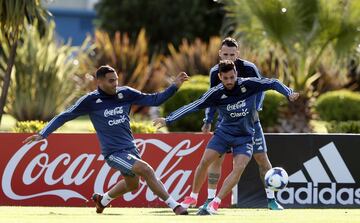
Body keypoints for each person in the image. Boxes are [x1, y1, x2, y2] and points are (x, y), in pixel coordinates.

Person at [23, 65, 189, 215]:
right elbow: (64, 116)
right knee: (146, 169)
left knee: (132, 185)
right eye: (111, 81)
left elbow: (155, 100)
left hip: (131, 148)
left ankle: (102, 200)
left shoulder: (126, 93)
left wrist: (174, 86)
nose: (115, 84)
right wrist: (43, 134)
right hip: (113, 153)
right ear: (99, 81)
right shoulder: (90, 101)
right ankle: (175, 205)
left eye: (116, 80)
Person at [153, 60, 299, 214]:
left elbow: (273, 83)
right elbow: (193, 106)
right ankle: (193, 197)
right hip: (224, 134)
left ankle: (215, 203)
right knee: (205, 162)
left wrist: (288, 92)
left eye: (232, 77)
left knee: (239, 167)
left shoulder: (249, 85)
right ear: (220, 77)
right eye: (226, 78)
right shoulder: (215, 93)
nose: (230, 81)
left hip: (245, 136)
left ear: (236, 73)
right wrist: (168, 119)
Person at [199, 37, 283, 212]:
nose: (229, 56)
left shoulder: (249, 68)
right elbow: (212, 99)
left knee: (262, 159)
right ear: (220, 53)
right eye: (225, 54)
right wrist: (207, 120)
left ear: (237, 54)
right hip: (226, 124)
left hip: (250, 122)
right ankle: (209, 199)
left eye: (232, 54)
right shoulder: (216, 72)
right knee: (217, 159)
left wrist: (255, 108)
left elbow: (262, 89)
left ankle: (271, 200)